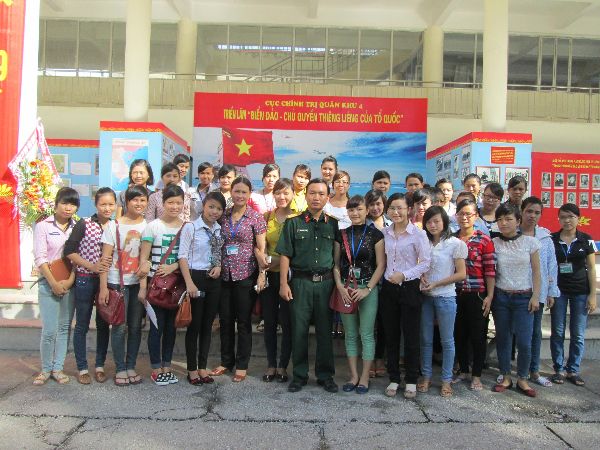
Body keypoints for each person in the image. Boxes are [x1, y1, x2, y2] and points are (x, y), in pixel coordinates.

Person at [277, 178, 339, 393]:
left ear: (327, 197)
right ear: (305, 195)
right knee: (299, 331)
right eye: (312, 193)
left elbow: (337, 257)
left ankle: (325, 375)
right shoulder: (293, 223)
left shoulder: (333, 224)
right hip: (300, 284)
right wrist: (283, 283)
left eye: (321, 194)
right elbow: (285, 255)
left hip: (326, 284)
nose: (316, 197)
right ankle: (299, 375)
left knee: (325, 331)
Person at [210, 176, 268, 382]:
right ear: (231, 193)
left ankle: (242, 365)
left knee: (243, 322)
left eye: (244, 192)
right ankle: (226, 361)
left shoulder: (255, 217)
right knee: (225, 320)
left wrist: (262, 274)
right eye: (237, 191)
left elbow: (261, 249)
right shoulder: (223, 215)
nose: (240, 195)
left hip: (246, 275)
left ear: (249, 194)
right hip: (224, 274)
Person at [380, 193, 431, 399]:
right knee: (391, 335)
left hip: (409, 288)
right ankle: (393, 377)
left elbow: (425, 262)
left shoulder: (418, 234)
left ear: (409, 209)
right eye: (392, 208)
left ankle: (411, 379)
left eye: (400, 208)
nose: (396, 212)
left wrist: (405, 275)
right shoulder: (384, 233)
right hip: (388, 289)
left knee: (411, 336)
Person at [333, 195, 385, 394]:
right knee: (351, 334)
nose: (355, 213)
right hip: (346, 289)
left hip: (367, 289)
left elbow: (381, 265)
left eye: (359, 209)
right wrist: (340, 287)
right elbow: (336, 265)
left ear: (366, 211)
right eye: (351, 209)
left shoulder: (376, 234)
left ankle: (365, 377)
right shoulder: (342, 234)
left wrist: (367, 289)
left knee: (367, 334)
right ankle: (353, 375)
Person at [64, 187, 115, 385]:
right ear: (96, 204)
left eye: (111, 204)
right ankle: (82, 367)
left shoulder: (116, 226)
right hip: (85, 279)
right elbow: (70, 251)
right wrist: (91, 265)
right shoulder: (84, 223)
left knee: (103, 325)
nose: (107, 208)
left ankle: (100, 366)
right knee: (82, 325)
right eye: (103, 204)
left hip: (106, 282)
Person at [98, 185, 148, 386]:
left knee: (135, 327)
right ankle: (120, 368)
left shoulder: (148, 226)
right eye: (135, 200)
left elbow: (148, 257)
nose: (139, 203)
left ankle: (130, 366)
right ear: (126, 202)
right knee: (119, 327)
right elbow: (105, 259)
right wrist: (103, 288)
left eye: (143, 200)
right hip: (116, 283)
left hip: (138, 284)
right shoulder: (114, 226)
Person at [492, 203, 541, 398]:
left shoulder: (530, 243)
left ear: (518, 221)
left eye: (508, 219)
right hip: (501, 296)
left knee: (524, 341)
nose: (503, 223)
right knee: (503, 338)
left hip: (524, 297)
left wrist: (536, 296)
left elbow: (537, 272)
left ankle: (522, 378)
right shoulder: (494, 242)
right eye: (500, 219)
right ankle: (505, 376)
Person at [139, 185, 185, 386]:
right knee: (156, 328)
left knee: (171, 329)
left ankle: (167, 366)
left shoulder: (187, 227)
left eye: (178, 203)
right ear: (163, 203)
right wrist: (142, 287)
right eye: (170, 202)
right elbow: (143, 259)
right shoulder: (152, 226)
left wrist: (174, 265)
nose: (175, 206)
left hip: (177, 287)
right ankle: (156, 368)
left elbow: (189, 257)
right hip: (156, 286)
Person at [32, 187, 79, 386]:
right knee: (49, 330)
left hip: (69, 283)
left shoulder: (77, 227)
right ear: (56, 204)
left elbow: (79, 258)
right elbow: (40, 257)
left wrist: (69, 281)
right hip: (48, 283)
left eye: (72, 204)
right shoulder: (43, 226)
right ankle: (45, 369)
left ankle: (58, 368)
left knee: (64, 328)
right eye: (64, 203)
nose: (68, 208)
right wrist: (53, 283)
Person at [418, 206, 467, 398]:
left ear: (445, 222)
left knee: (447, 340)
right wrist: (421, 276)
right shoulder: (423, 242)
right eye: (429, 222)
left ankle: (446, 379)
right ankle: (426, 376)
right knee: (426, 339)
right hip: (425, 297)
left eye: (436, 221)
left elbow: (461, 274)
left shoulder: (455, 244)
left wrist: (437, 283)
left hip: (446, 296)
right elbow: (419, 266)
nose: (432, 225)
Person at [179, 191, 226, 385]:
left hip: (213, 279)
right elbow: (182, 256)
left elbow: (218, 253)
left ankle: (202, 367)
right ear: (203, 206)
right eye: (211, 207)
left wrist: (218, 266)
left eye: (219, 209)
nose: (214, 211)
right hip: (195, 277)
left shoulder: (219, 229)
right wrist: (189, 282)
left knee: (207, 326)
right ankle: (192, 369)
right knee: (195, 326)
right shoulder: (191, 227)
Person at [550, 203, 597, 386]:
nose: (567, 220)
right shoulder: (552, 239)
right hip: (559, 291)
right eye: (563, 217)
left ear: (578, 218)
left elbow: (591, 268)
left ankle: (573, 370)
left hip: (580, 291)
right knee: (558, 331)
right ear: (559, 219)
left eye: (571, 216)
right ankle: (559, 369)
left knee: (577, 333)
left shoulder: (586, 240)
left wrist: (592, 294)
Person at [453, 198, 496, 391]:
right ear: (456, 216)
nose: (464, 217)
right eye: (461, 214)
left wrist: (489, 296)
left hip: (477, 294)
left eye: (468, 214)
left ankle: (476, 375)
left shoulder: (484, 240)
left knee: (478, 336)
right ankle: (463, 370)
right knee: (459, 334)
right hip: (455, 294)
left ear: (476, 216)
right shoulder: (451, 239)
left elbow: (490, 271)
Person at [520, 196, 560, 387]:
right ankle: (510, 370)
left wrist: (551, 291)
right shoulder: (512, 233)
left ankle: (534, 370)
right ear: (521, 211)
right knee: (514, 333)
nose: (532, 216)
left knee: (535, 333)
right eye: (529, 211)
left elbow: (551, 266)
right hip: (515, 290)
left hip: (538, 291)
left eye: (537, 213)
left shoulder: (545, 238)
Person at [261, 178, 297, 383]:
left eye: (286, 193)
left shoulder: (299, 218)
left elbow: (298, 252)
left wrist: (275, 261)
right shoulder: (267, 217)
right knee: (269, 321)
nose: (281, 197)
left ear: (293, 194)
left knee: (288, 322)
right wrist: (267, 262)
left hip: (290, 277)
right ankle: (271, 364)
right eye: (278, 193)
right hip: (269, 275)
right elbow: (261, 246)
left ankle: (283, 364)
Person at [365, 189, 391, 377]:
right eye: (372, 204)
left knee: (383, 321)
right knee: (368, 323)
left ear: (384, 205)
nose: (375, 208)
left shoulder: (391, 224)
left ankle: (379, 358)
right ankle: (368, 358)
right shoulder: (362, 225)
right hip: (367, 279)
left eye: (378, 204)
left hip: (388, 279)